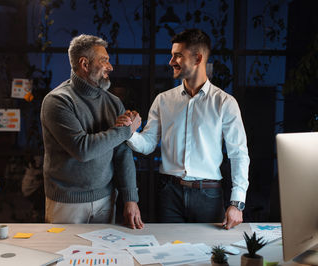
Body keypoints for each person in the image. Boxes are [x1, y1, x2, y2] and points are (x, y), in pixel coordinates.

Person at [124, 29, 249, 229]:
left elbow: (239, 154)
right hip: (168, 194)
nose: (170, 61)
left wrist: (236, 202)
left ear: (198, 58)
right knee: (167, 254)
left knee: (208, 257)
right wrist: (129, 132)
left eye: (177, 55)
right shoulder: (163, 100)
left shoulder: (225, 102)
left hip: (209, 196)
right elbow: (147, 144)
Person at [40, 34, 143, 229]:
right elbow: (82, 149)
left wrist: (131, 199)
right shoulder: (57, 101)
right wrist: (125, 131)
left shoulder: (113, 102)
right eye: (104, 60)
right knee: (65, 257)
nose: (110, 67)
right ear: (84, 64)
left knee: (105, 258)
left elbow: (122, 154)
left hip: (106, 198)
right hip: (67, 203)